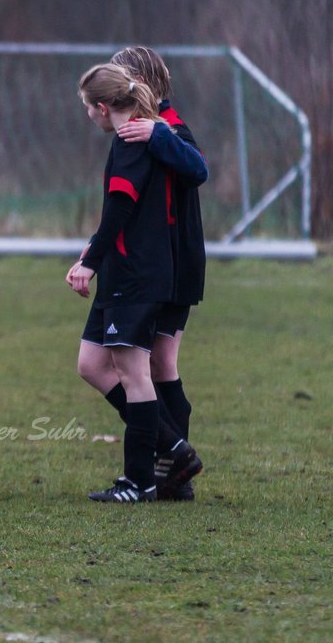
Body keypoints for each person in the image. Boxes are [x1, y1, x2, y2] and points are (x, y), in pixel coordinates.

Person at [67, 63, 200, 503]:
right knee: (93, 363)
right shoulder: (145, 133)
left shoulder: (141, 138)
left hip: (136, 273)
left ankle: (141, 479)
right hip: (129, 272)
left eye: (87, 107)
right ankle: (170, 447)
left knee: (138, 371)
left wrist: (91, 260)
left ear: (103, 107)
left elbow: (121, 211)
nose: (87, 115)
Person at [111, 46, 205, 500]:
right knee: (156, 363)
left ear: (141, 83)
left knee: (160, 362)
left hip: (177, 266)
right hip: (161, 265)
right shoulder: (144, 127)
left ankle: (173, 466)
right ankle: (171, 469)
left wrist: (158, 134)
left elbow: (199, 168)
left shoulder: (169, 126)